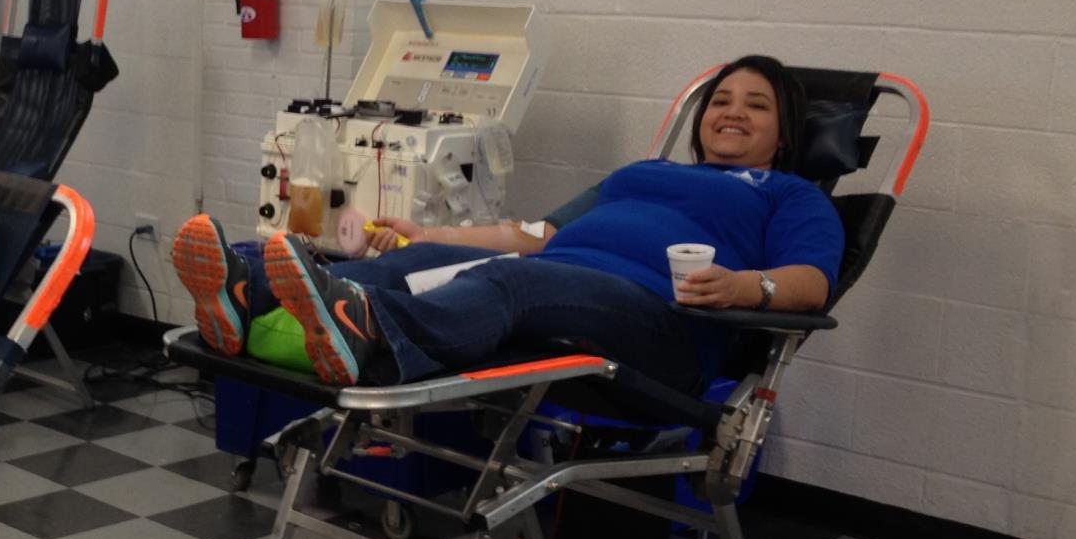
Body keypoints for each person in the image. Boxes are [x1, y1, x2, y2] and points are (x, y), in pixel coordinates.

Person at [174, 55, 843, 391]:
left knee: (511, 283)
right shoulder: (641, 174)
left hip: (662, 322)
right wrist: (424, 233)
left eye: (755, 105)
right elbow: (537, 234)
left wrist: (746, 288)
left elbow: (811, 282)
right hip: (557, 276)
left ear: (784, 132)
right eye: (721, 99)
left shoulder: (790, 194)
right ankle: (245, 292)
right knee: (399, 266)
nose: (731, 111)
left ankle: (366, 326)